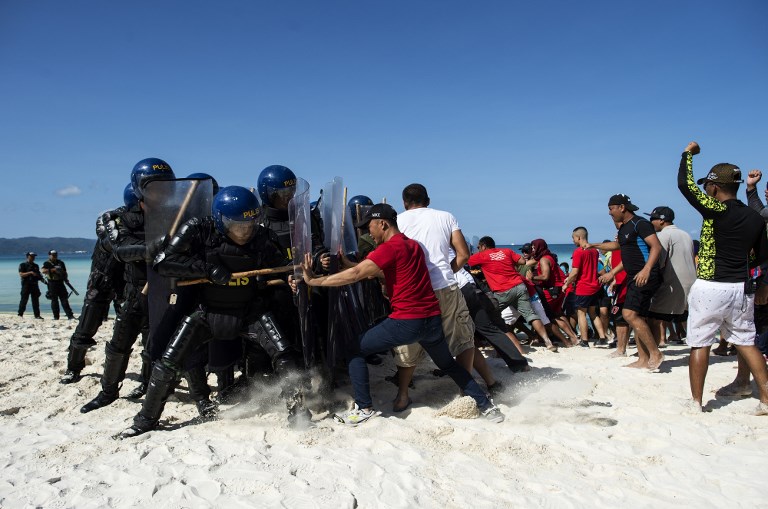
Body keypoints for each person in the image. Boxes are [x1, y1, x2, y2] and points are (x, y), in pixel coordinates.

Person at [119, 186, 307, 438]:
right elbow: (163, 262)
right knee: (167, 363)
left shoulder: (262, 237)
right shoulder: (198, 229)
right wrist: (206, 270)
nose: (245, 231)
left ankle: (297, 412)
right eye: (237, 225)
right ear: (220, 220)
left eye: (250, 223)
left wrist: (290, 277)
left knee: (285, 355)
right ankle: (145, 420)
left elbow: (281, 267)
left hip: (250, 311)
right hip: (206, 312)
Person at [298, 203, 504, 425]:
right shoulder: (413, 246)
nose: (368, 232)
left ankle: (364, 407)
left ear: (382, 224)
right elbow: (374, 270)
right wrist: (347, 263)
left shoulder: (388, 249)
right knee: (448, 364)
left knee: (354, 349)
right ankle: (487, 406)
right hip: (431, 319)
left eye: (369, 227)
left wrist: (313, 280)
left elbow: (357, 274)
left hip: (407, 321)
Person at [678, 141, 768, 414]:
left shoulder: (715, 210)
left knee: (700, 341)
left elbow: (685, 185)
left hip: (710, 286)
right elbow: (762, 256)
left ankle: (696, 402)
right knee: (746, 341)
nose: (706, 190)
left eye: (708, 186)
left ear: (715, 187)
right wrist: (763, 285)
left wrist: (687, 155)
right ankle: (766, 397)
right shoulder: (755, 218)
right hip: (741, 287)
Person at [393, 183, 496, 412]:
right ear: (427, 200)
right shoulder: (446, 216)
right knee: (462, 336)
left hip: (413, 291)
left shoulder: (397, 221)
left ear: (404, 202)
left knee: (409, 341)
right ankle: (464, 391)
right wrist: (447, 271)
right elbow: (464, 254)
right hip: (445, 287)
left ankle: (402, 396)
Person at [80, 158, 173, 413]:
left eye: (165, 188)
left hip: (168, 290)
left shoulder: (175, 214)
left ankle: (147, 384)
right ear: (140, 187)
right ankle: (108, 391)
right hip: (135, 289)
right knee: (120, 342)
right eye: (154, 188)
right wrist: (151, 249)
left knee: (155, 343)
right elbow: (120, 249)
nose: (160, 194)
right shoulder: (116, 217)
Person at [60, 185, 133, 384]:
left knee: (129, 326)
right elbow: (113, 242)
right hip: (102, 278)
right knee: (86, 325)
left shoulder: (150, 220)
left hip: (125, 279)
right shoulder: (112, 218)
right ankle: (73, 368)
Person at [587, 194, 664, 371]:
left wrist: (646, 269)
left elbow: (656, 247)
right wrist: (594, 246)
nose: (609, 212)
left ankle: (655, 353)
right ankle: (643, 359)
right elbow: (618, 247)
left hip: (645, 275)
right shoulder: (624, 229)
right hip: (633, 276)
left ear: (622, 207)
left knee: (629, 314)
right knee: (637, 317)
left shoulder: (640, 224)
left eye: (611, 208)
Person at [469, 236, 558, 352]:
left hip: (501, 292)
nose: (478, 249)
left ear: (483, 246)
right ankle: (548, 342)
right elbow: (522, 261)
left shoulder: (481, 255)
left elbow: (465, 260)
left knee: (492, 316)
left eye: (478, 247)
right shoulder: (507, 251)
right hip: (519, 287)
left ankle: (500, 347)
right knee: (530, 315)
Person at [643, 206, 696, 348]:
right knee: (690, 319)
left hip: (673, 281)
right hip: (692, 283)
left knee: (653, 317)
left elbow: (659, 261)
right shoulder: (686, 234)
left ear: (661, 220)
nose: (650, 222)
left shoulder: (663, 236)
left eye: (653, 219)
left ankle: (652, 350)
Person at [563, 227, 609, 347]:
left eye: (573, 238)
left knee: (581, 313)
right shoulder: (594, 251)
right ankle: (602, 337)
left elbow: (575, 271)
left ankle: (584, 340)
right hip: (594, 286)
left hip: (583, 287)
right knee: (593, 313)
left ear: (579, 237)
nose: (573, 241)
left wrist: (566, 284)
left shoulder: (578, 251)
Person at [41, 250, 75, 320]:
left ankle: (70, 315)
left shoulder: (61, 263)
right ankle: (56, 317)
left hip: (61, 282)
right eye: (53, 255)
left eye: (55, 255)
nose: (54, 256)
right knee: (54, 300)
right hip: (52, 283)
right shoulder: (47, 263)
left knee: (64, 299)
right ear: (49, 255)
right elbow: (43, 271)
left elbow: (65, 272)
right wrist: (52, 270)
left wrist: (66, 279)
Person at [18, 252, 44, 319]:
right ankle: (20, 314)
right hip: (26, 285)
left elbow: (39, 275)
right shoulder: (23, 265)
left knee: (35, 301)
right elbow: (21, 274)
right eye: (31, 256)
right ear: (27, 256)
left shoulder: (36, 266)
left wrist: (44, 281)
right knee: (24, 300)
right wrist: (30, 273)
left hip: (35, 285)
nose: (33, 258)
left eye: (34, 256)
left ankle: (37, 315)